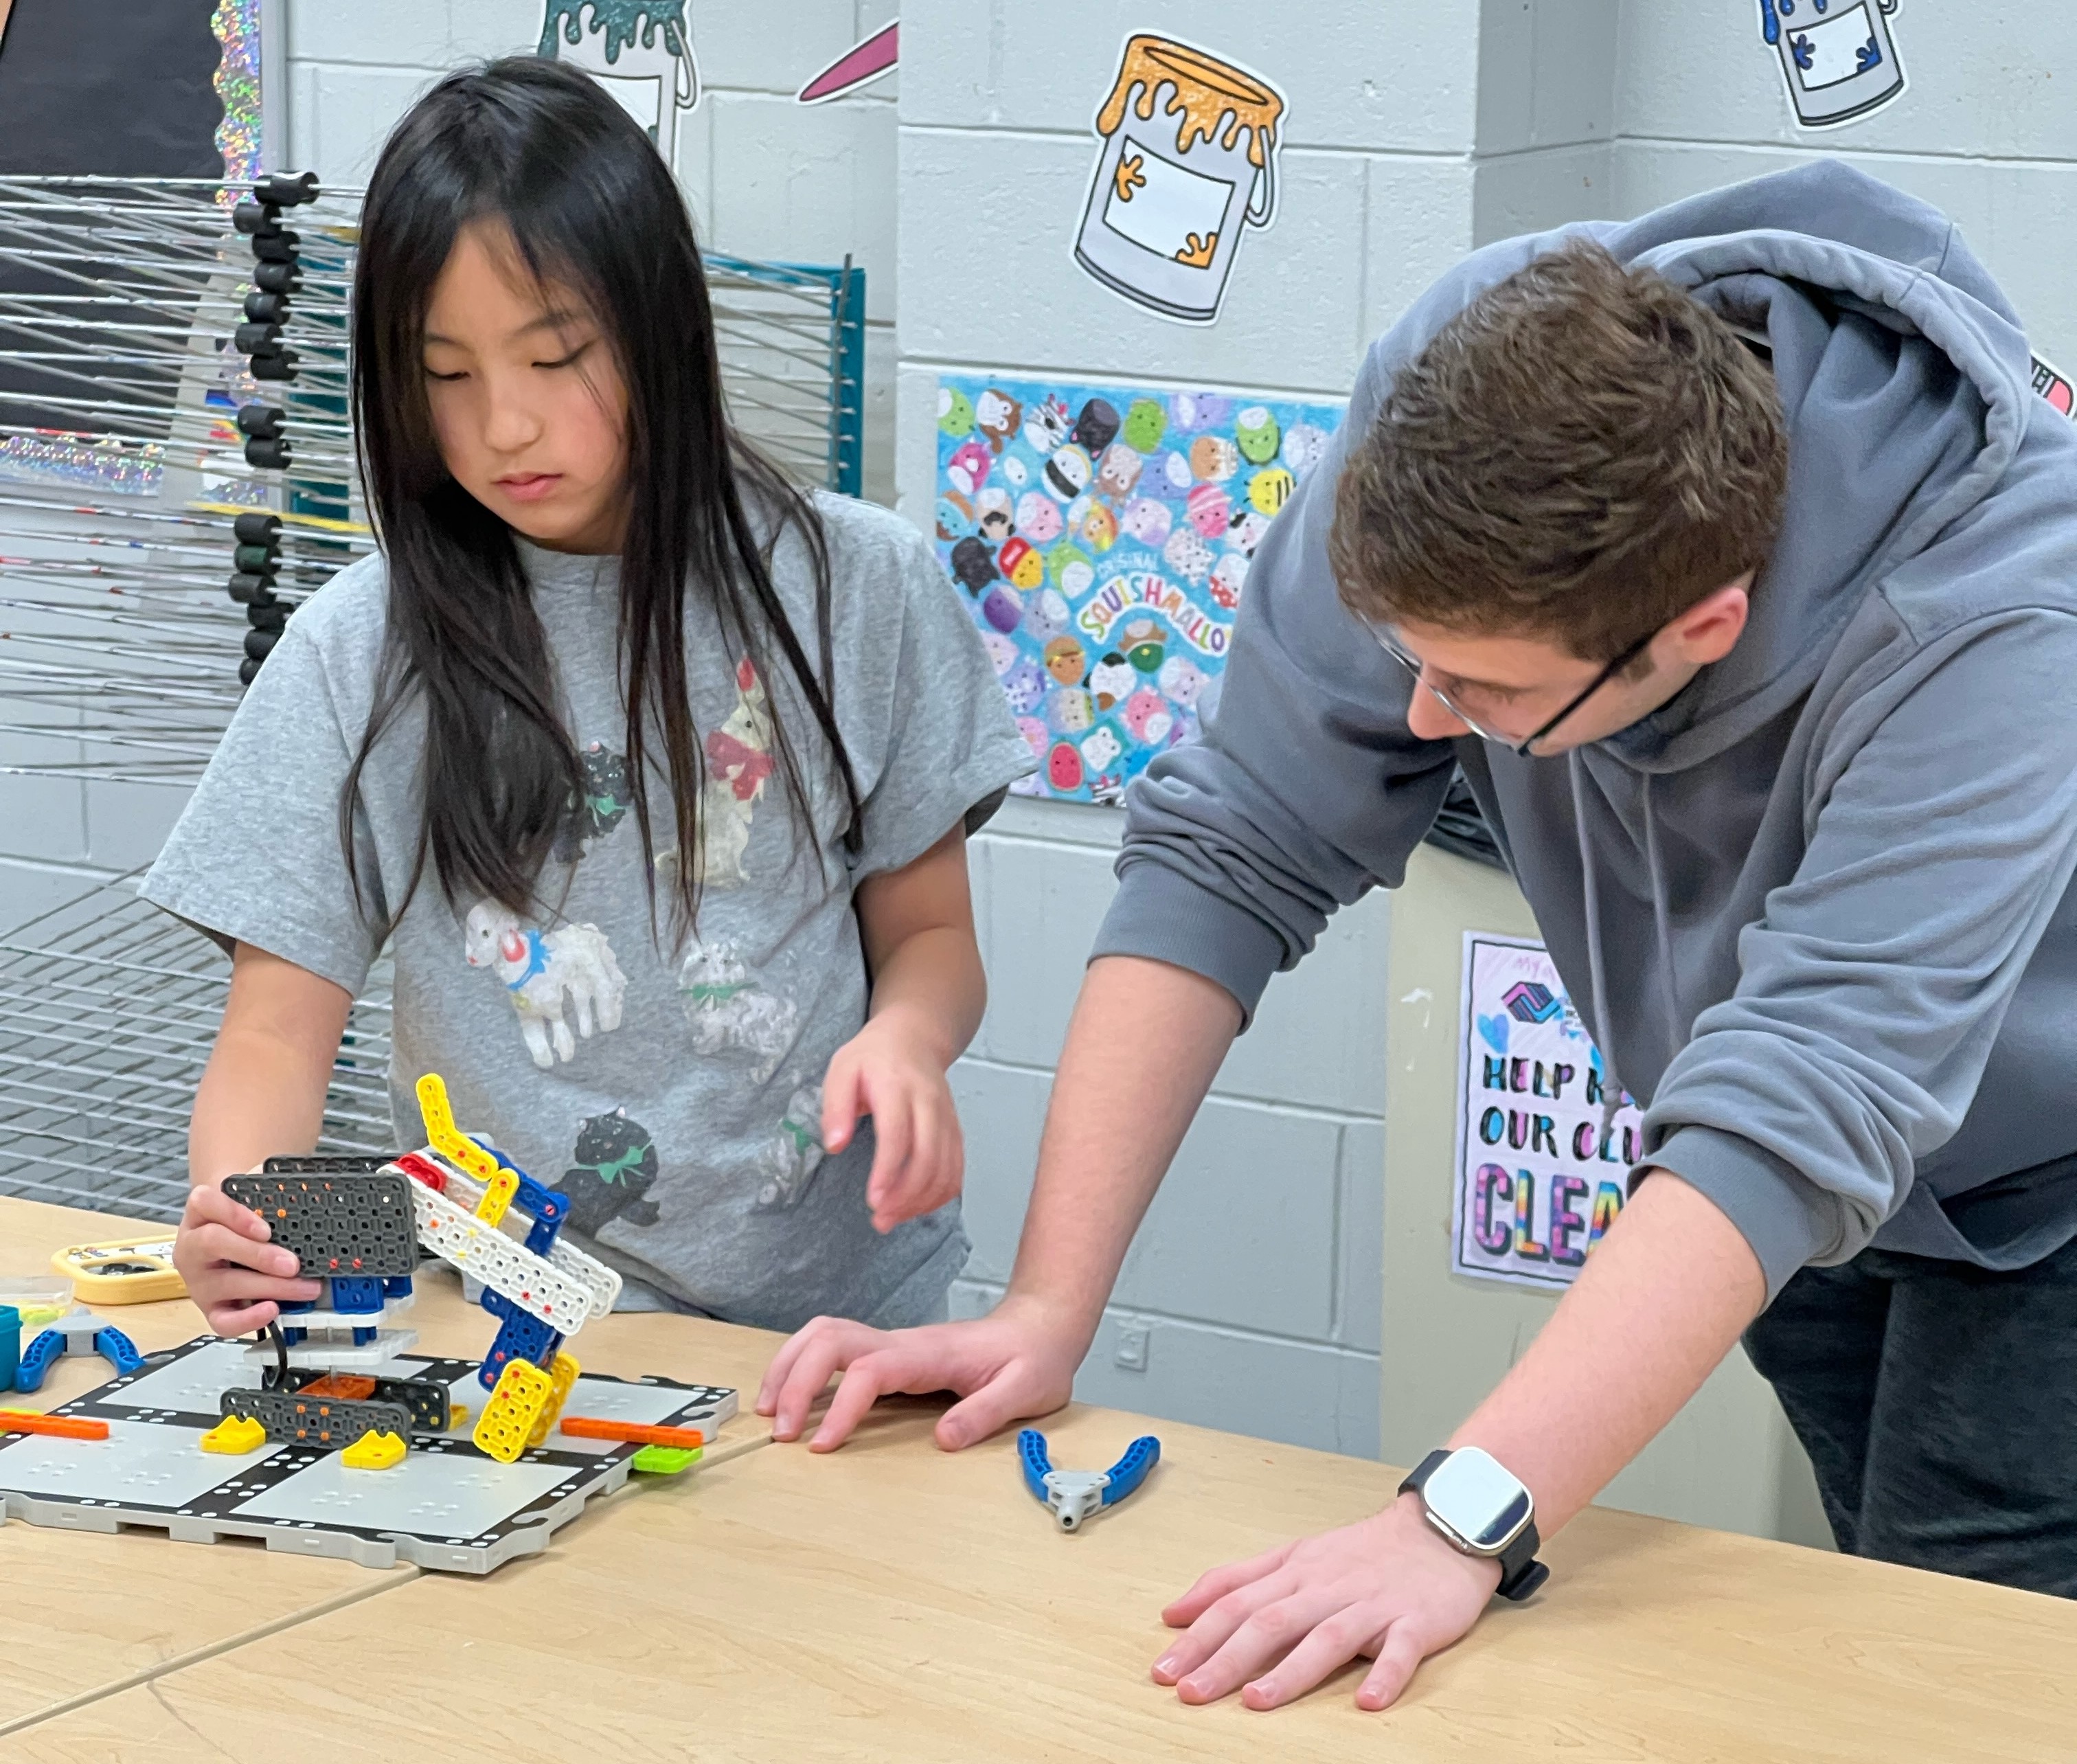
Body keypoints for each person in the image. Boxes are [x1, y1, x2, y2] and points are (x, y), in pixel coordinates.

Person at [759, 161, 2077, 1709]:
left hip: (2043, 1177)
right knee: (1872, 1617)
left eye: (1491, 695)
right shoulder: (1464, 385)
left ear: (1699, 627)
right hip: (1802, 1184)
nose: (1422, 724)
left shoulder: (1997, 612)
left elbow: (1800, 1106)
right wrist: (1047, 1310)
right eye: (1415, 659)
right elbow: (1239, 831)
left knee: (1975, 1665)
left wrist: (1457, 1521)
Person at [161, 58, 1032, 1339]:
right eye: (445, 375)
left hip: (839, 1328)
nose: (505, 425)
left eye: (555, 355)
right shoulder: (367, 642)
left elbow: (932, 943)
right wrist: (241, 1221)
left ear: (659, 325)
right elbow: (277, 1039)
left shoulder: (861, 588)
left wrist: (908, 1040)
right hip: (503, 1320)